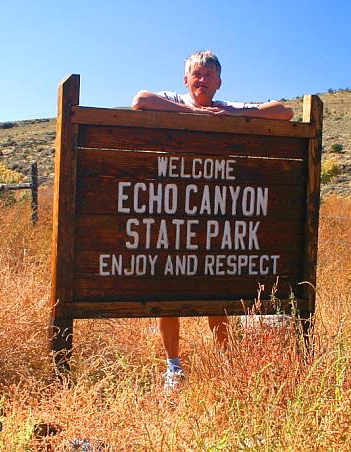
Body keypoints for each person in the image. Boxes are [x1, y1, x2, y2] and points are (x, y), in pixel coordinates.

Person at [131, 50, 293, 391]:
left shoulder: (229, 106)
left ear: (219, 82)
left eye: (209, 76)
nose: (202, 80)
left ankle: (227, 364)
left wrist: (231, 114)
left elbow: (285, 111)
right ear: (186, 80)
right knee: (168, 289)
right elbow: (141, 100)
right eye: (196, 75)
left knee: (215, 290)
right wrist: (190, 110)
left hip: (216, 210)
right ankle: (173, 367)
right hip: (174, 209)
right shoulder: (174, 99)